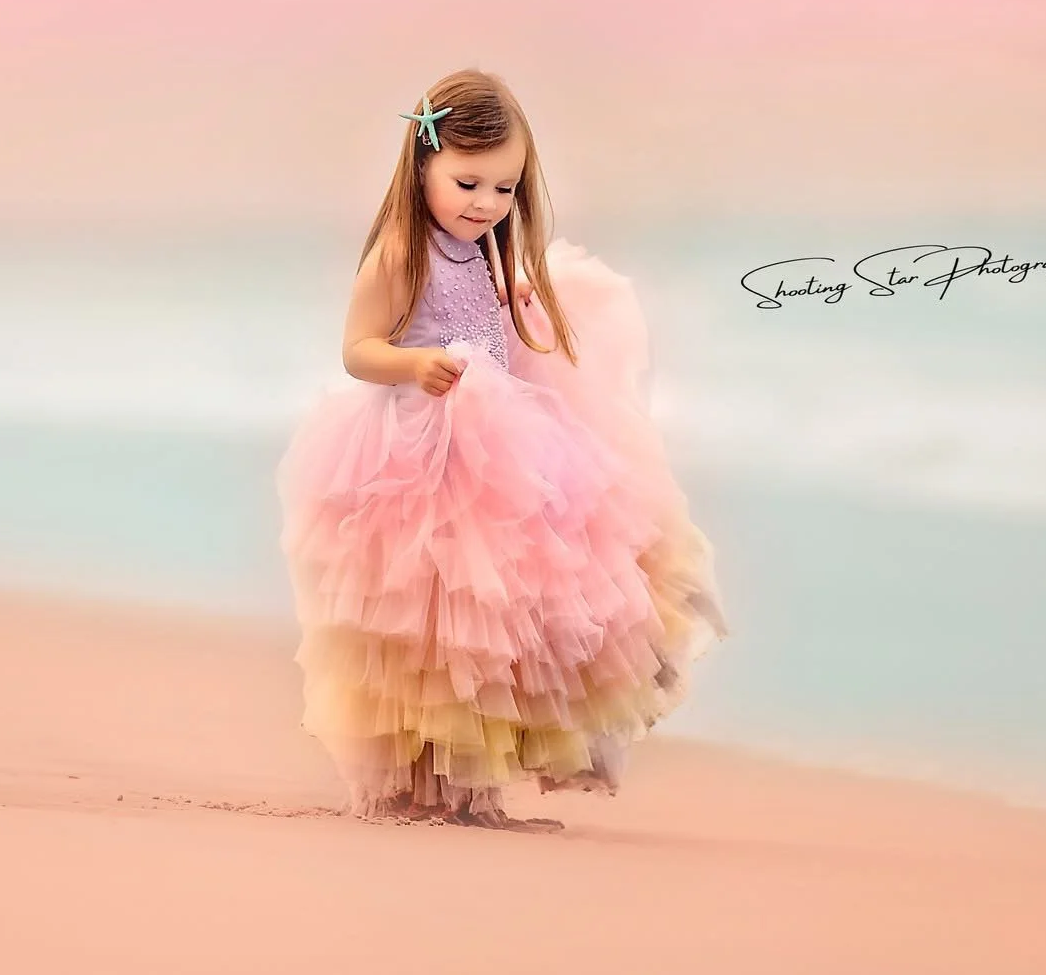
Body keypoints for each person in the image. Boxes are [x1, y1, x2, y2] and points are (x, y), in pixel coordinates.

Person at [276, 68, 727, 830]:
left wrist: (517, 299)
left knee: (498, 623)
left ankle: (472, 787)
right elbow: (358, 349)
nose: (484, 204)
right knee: (430, 624)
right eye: (468, 182)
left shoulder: (484, 250)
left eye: (504, 190)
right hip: (418, 454)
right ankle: (420, 783)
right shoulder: (399, 252)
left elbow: (494, 334)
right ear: (421, 165)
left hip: (498, 455)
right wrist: (414, 363)